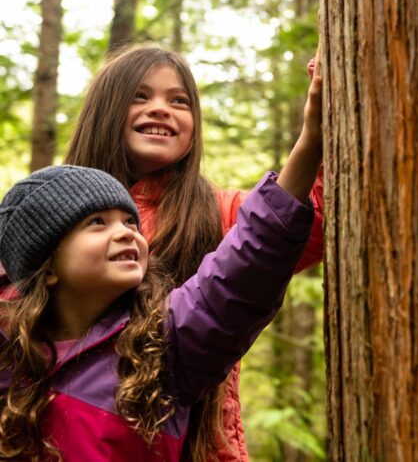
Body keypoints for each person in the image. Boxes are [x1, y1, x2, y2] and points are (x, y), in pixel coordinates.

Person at [62, 43, 323, 460]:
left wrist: (324, 104)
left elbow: (297, 222)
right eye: (140, 96)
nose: (161, 108)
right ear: (104, 112)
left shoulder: (221, 213)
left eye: (178, 100)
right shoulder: (54, 214)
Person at [0, 159, 318, 459]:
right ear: (47, 266)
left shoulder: (165, 345)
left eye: (129, 222)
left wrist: (310, 144)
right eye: (97, 222)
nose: (126, 232)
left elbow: (247, 263)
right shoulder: (11, 357)